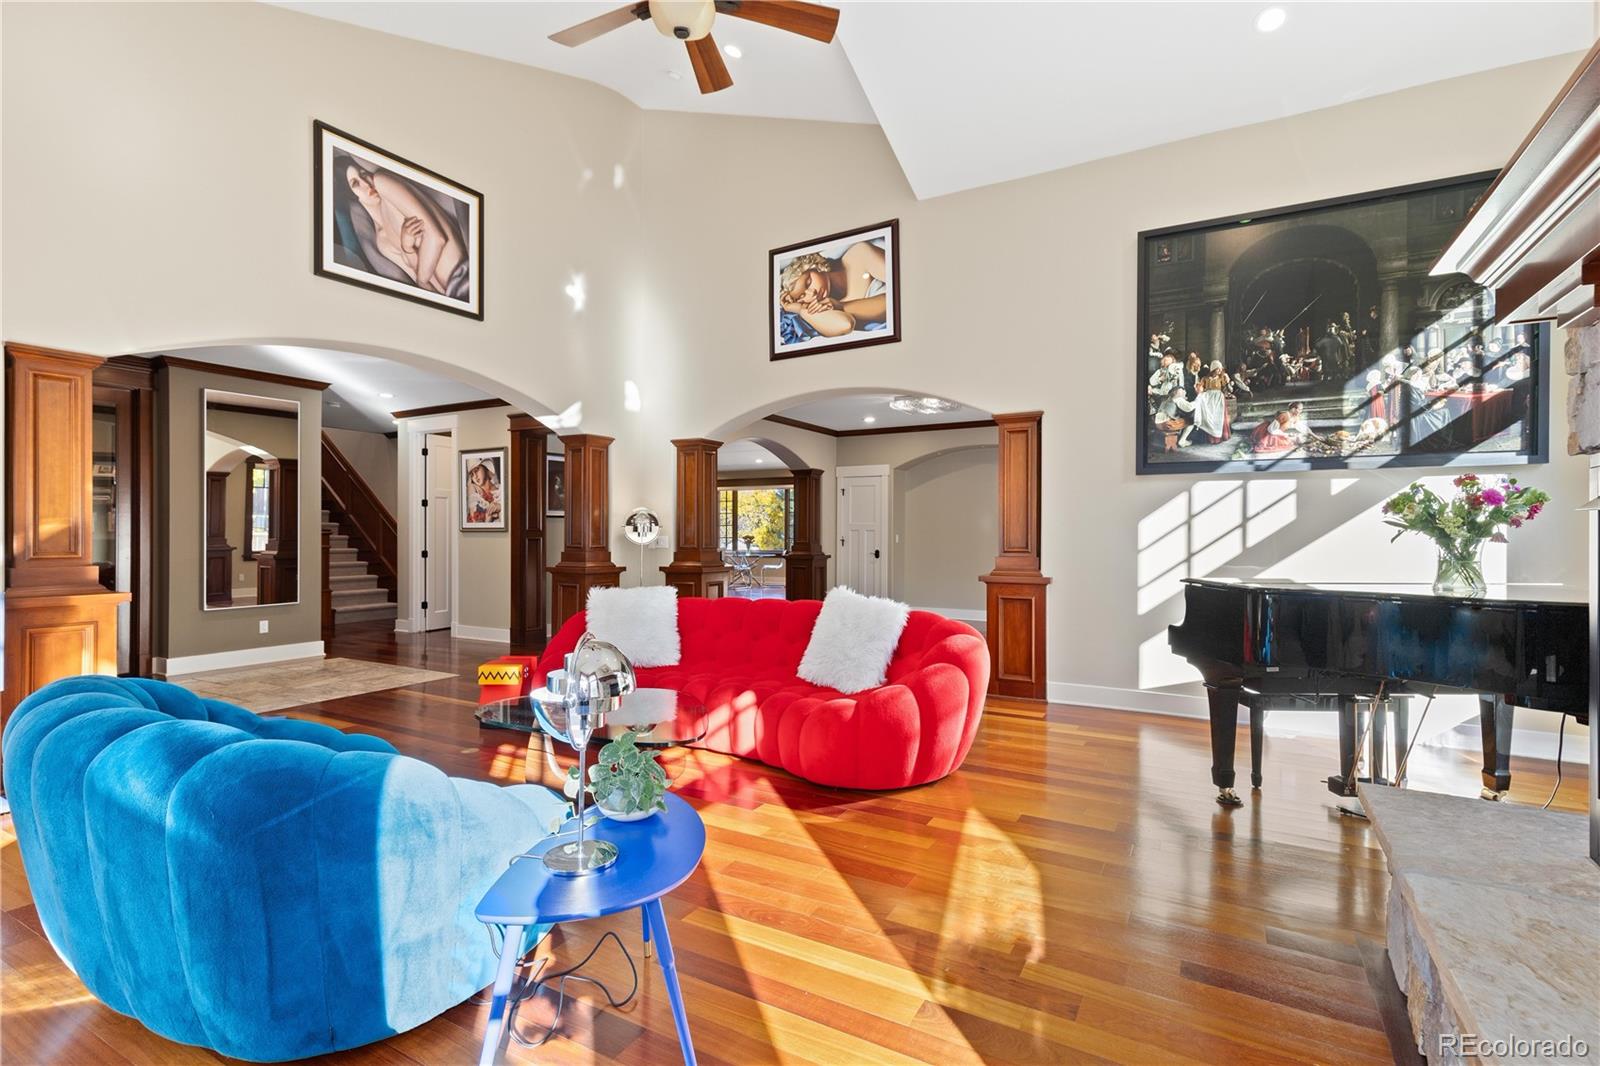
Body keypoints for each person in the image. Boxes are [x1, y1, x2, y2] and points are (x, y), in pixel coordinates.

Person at [345, 162, 468, 298]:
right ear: (356, 198)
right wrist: (407, 248)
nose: (366, 183)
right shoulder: (382, 242)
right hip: (453, 295)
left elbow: (437, 239)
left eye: (364, 173)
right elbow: (424, 285)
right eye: (355, 184)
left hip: (464, 280)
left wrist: (421, 279)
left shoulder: (384, 183)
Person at [777, 241, 889, 339]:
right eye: (802, 297)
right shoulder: (825, 307)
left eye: (808, 282)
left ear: (814, 266)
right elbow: (846, 324)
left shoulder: (859, 255)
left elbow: (897, 297)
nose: (812, 293)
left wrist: (841, 306)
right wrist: (801, 310)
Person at [1192, 364, 1231, 444]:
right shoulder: (1205, 378)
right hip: (1208, 397)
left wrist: (1228, 382)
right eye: (1218, 369)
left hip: (1218, 398)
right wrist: (1199, 388)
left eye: (1220, 369)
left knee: (1218, 416)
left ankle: (1218, 436)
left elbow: (1226, 387)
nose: (1219, 371)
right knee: (1209, 415)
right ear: (1213, 369)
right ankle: (1210, 438)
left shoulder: (1221, 378)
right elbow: (1200, 387)